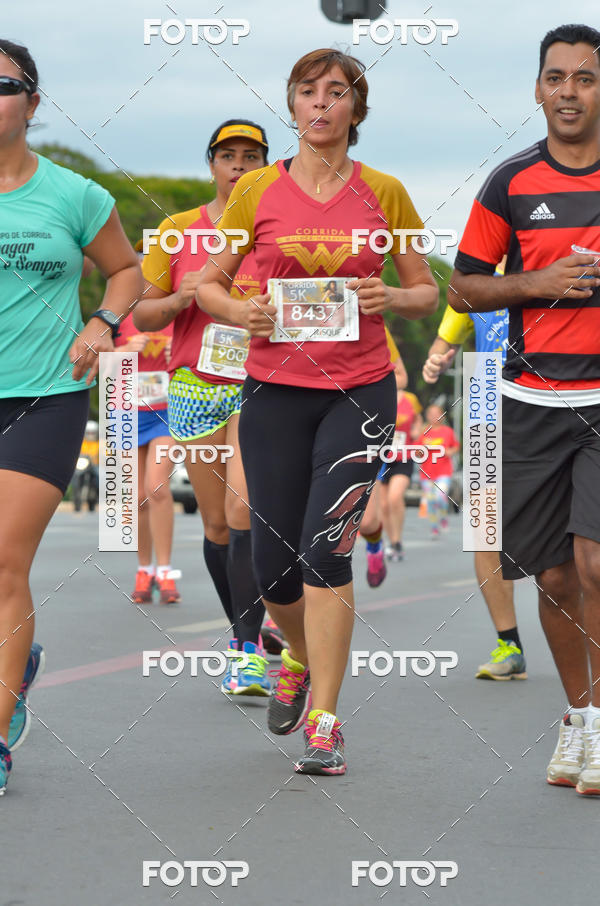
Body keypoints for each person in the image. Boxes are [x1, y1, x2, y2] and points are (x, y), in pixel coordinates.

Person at [197, 48, 438, 774]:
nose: (322, 103)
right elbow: (208, 285)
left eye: (337, 92)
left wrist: (392, 297)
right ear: (293, 104)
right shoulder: (257, 190)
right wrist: (240, 312)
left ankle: (326, 722)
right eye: (309, 91)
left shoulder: (386, 192)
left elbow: (427, 290)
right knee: (273, 567)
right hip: (273, 389)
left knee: (325, 549)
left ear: (356, 109)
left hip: (359, 390)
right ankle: (297, 657)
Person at [448, 23, 600, 795]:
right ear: (538, 89)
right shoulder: (510, 182)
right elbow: (462, 288)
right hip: (530, 402)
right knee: (554, 578)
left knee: (595, 562)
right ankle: (581, 720)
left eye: (585, 78)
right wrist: (534, 284)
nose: (569, 92)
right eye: (556, 78)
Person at [0, 40, 143, 794]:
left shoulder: (75, 195)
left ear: (33, 102)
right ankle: (15, 662)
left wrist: (102, 322)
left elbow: (127, 270)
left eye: (2, 84)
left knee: (2, 562)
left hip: (43, 395)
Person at [134, 120, 274, 695]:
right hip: (196, 384)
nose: (239, 166)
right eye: (228, 156)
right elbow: (143, 315)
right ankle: (246, 630)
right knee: (217, 524)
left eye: (251, 157)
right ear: (211, 164)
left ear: (266, 166)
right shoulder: (175, 231)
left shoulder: (277, 227)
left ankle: (248, 650)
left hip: (262, 381)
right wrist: (181, 296)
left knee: (243, 510)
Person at [423, 273, 527, 681]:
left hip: (546, 403)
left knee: (571, 540)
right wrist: (437, 359)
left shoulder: (551, 263)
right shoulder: (474, 281)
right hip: (485, 399)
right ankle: (509, 645)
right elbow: (442, 343)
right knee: (484, 531)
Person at [114, 311, 180, 604]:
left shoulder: (177, 312)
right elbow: (91, 359)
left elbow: (200, 356)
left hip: (166, 411)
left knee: (157, 487)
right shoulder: (118, 314)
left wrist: (179, 353)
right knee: (137, 497)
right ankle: (144, 570)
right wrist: (124, 350)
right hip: (125, 411)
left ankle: (165, 571)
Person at [361, 329, 408, 587]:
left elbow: (401, 376)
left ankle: (375, 543)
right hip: (303, 422)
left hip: (361, 431)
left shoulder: (367, 317)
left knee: (367, 521)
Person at [379, 378, 423, 562]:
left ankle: (397, 541)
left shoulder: (410, 399)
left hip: (404, 456)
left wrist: (416, 430)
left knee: (394, 497)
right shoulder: (379, 395)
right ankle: (392, 541)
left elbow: (418, 418)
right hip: (382, 457)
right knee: (383, 505)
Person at [416, 404, 459, 538]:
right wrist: (421, 451)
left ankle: (444, 517)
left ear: (442, 416)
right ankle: (434, 527)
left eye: (437, 414)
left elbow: (456, 446)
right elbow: (416, 452)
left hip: (444, 472)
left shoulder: (448, 431)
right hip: (426, 474)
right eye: (431, 414)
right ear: (427, 416)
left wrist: (450, 452)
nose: (434, 416)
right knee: (431, 500)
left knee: (440, 497)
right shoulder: (423, 432)